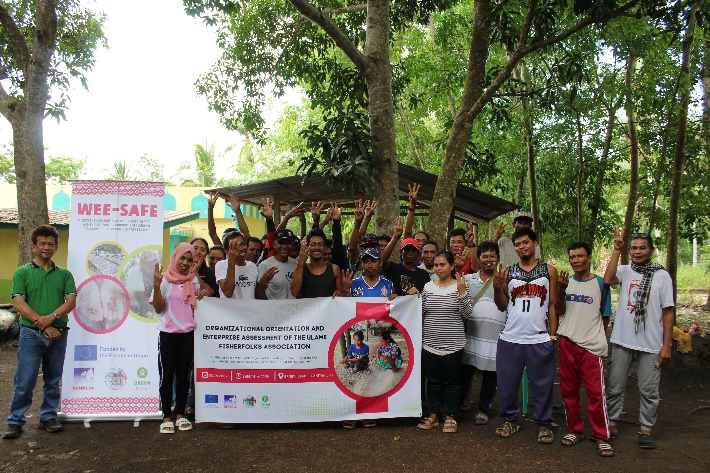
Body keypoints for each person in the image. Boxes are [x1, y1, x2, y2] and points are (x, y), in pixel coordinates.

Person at [603, 229, 674, 450]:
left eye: (643, 248)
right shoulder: (625, 271)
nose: (638, 251)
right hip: (623, 340)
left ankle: (646, 428)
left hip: (651, 344)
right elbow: (608, 279)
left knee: (649, 390)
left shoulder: (662, 276)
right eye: (634, 248)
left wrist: (667, 345)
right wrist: (616, 250)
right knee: (615, 386)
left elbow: (668, 312)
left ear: (651, 251)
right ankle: (611, 423)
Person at [3, 225, 76, 439]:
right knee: (25, 379)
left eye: (50, 244)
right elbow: (19, 302)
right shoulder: (22, 273)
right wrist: (44, 324)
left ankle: (48, 417)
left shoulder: (64, 274)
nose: (46, 247)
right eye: (42, 243)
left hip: (58, 334)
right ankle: (15, 421)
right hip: (30, 335)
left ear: (56, 247)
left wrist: (52, 317)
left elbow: (70, 301)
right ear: (34, 246)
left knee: (53, 378)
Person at [492, 227, 559, 444]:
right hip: (511, 337)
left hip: (539, 337)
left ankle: (543, 424)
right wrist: (497, 288)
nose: (522, 247)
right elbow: (502, 306)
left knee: (543, 384)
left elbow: (553, 305)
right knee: (507, 383)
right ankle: (510, 420)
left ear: (535, 243)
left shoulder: (548, 270)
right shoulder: (509, 271)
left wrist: (552, 336)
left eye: (525, 242)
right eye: (518, 244)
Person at [555, 241, 614, 457]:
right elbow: (559, 311)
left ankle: (601, 436)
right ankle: (575, 430)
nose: (576, 260)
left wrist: (599, 338)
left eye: (580, 256)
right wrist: (561, 291)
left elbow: (605, 314)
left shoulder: (599, 283)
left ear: (589, 258)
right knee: (569, 391)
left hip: (590, 346)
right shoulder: (566, 282)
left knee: (596, 393)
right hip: (567, 341)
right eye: (572, 257)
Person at [151, 243, 212, 434]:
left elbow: (208, 293)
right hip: (168, 334)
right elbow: (158, 308)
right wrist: (156, 286)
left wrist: (201, 286)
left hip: (187, 334)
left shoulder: (192, 280)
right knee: (167, 376)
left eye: (189, 259)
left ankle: (180, 415)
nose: (185, 263)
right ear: (175, 257)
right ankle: (166, 416)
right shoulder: (164, 279)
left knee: (184, 376)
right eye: (182, 258)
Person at [417, 250, 472, 434]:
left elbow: (467, 314)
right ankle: (433, 415)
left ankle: (450, 416)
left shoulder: (460, 285)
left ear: (452, 266)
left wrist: (462, 293)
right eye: (436, 265)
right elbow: (420, 311)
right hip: (430, 343)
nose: (439, 268)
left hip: (453, 345)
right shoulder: (428, 287)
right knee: (432, 381)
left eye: (443, 265)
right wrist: (412, 295)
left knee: (451, 382)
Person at [460, 241, 505, 426]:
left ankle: (483, 409)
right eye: (484, 256)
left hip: (494, 336)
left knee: (490, 375)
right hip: (471, 335)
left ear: (498, 259)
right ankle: (460, 403)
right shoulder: (468, 279)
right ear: (478, 260)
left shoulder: (504, 279)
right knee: (465, 372)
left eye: (492, 256)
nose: (488, 260)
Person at [381, 218, 430, 296]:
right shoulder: (393, 269)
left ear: (418, 254)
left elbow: (425, 296)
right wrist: (395, 237)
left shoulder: (423, 275)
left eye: (413, 251)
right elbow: (382, 261)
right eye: (407, 250)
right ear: (401, 253)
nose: (410, 253)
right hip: (395, 303)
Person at [291, 228, 343, 298]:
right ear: (307, 247)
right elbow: (295, 292)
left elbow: (341, 296)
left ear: (325, 247)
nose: (317, 247)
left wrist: (339, 294)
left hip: (329, 305)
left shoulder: (334, 269)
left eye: (320, 244)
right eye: (313, 244)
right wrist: (300, 262)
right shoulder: (301, 269)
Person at [215, 231, 258, 300]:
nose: (241, 248)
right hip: (230, 307)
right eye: (235, 246)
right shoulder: (221, 265)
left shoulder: (252, 266)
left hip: (250, 307)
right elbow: (228, 292)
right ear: (226, 251)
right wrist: (232, 261)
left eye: (242, 244)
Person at [257, 229, 297, 300]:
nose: (284, 246)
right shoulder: (265, 265)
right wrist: (262, 283)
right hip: (273, 306)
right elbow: (259, 296)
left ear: (293, 245)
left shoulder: (296, 264)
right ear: (274, 245)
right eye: (281, 243)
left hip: (293, 306)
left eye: (288, 243)